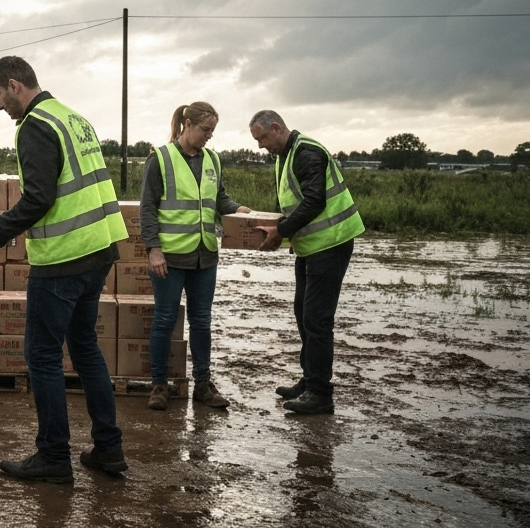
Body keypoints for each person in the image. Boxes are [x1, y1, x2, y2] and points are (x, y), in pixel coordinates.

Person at [0, 56, 127, 483]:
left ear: (14, 85)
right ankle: (108, 448)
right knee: (86, 348)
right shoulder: (71, 117)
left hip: (64, 259)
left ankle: (53, 456)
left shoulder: (35, 125)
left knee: (43, 356)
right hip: (99, 249)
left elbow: (38, 198)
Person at [248, 110, 364, 416]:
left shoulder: (307, 152)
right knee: (303, 314)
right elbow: (296, 204)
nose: (261, 145)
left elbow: (315, 201)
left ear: (276, 128)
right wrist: (281, 233)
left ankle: (320, 393)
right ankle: (309, 380)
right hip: (310, 247)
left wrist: (282, 231)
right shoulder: (285, 156)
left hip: (331, 244)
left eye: (261, 138)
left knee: (317, 319)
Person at [141, 102, 251, 411]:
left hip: (205, 256)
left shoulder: (213, 159)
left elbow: (219, 199)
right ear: (187, 124)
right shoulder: (160, 159)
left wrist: (236, 209)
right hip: (170, 257)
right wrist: (154, 249)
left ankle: (202, 384)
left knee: (202, 321)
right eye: (205, 130)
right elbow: (147, 209)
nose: (209, 137)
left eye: (212, 131)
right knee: (164, 320)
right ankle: (160, 386)